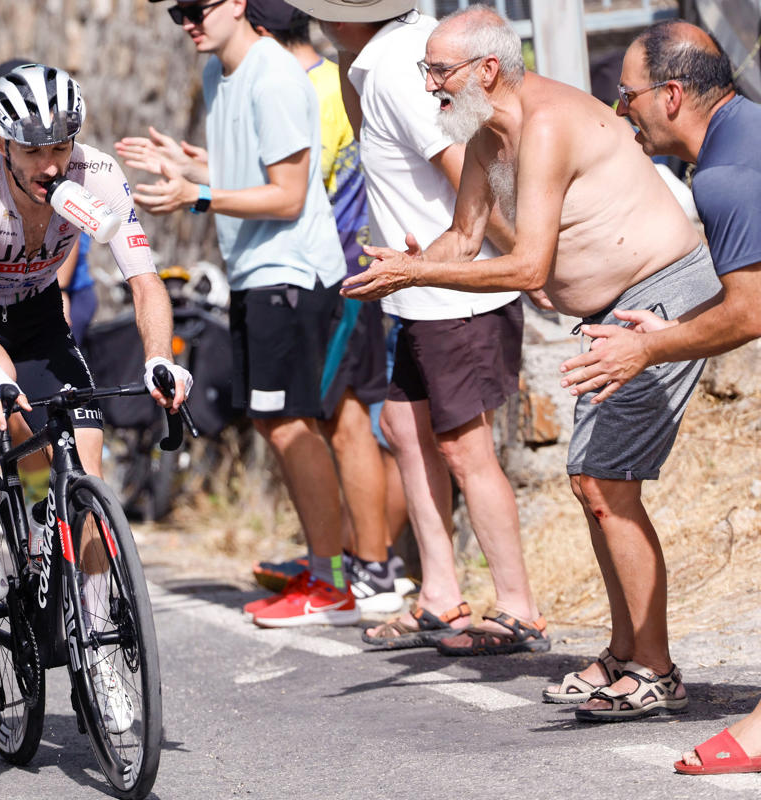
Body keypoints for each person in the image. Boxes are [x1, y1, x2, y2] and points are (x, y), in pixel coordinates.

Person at [341, 6, 718, 717]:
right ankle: (625, 651)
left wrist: (419, 280)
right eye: (426, 71)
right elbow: (463, 236)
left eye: (438, 72)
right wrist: (412, 261)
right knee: (594, 484)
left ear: (488, 70)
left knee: (605, 483)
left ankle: (656, 666)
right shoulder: (486, 132)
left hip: (659, 296)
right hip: (613, 309)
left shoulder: (543, 124)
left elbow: (525, 265)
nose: (429, 87)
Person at [0, 64, 188, 732]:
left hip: (40, 314)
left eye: (60, 145)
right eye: (34, 150)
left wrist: (160, 356)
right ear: (3, 144)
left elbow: (146, 281)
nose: (50, 163)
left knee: (88, 478)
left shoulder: (92, 175)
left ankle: (97, 647)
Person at [292, 0, 542, 654]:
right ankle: (439, 596)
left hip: (452, 291)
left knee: (465, 447)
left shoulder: (397, 71)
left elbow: (468, 165)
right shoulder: (375, 63)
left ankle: (518, 608)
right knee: (405, 426)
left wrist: (525, 263)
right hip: (419, 287)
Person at [555, 20, 761, 765]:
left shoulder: (727, 175)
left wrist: (647, 345)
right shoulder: (745, 137)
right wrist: (674, 327)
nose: (620, 111)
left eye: (628, 94)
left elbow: (752, 312)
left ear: (672, 95)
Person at [118, 0, 356, 628]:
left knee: (290, 425)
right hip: (255, 271)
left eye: (198, 8)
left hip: (292, 274)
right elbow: (244, 173)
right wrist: (187, 164)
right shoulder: (216, 74)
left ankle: (333, 580)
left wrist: (196, 194)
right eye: (178, 12)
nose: (189, 21)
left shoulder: (275, 76)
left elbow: (286, 195)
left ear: (239, 4)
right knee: (273, 422)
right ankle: (323, 563)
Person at [245, 0, 404, 613]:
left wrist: (201, 188)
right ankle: (365, 562)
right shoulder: (340, 79)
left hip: (333, 273)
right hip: (356, 269)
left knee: (341, 422)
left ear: (260, 31)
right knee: (350, 418)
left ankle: (365, 567)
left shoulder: (307, 92)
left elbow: (289, 189)